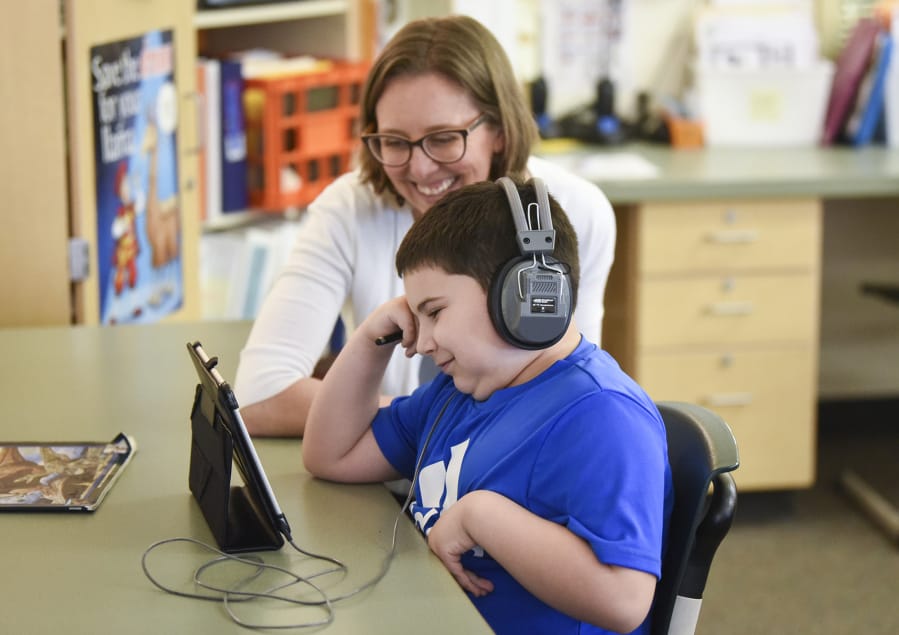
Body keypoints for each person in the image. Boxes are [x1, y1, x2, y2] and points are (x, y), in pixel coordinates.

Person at [302, 178, 672, 635]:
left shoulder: (601, 416)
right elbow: (329, 456)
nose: (424, 341)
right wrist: (371, 340)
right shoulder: (458, 393)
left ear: (527, 299)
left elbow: (624, 601)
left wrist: (483, 517)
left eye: (435, 312)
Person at [234, 15, 616, 437]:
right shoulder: (349, 209)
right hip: (390, 475)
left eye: (443, 138)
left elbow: (574, 394)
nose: (419, 168)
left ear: (500, 131)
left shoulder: (575, 212)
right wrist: (428, 424)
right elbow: (259, 397)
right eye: (395, 142)